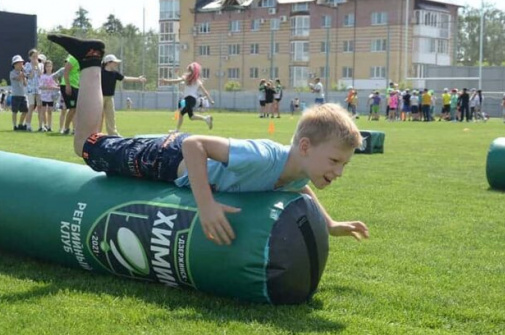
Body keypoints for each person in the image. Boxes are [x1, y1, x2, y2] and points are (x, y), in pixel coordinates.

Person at [47, 34, 369, 246]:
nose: (339, 171)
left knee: (93, 143)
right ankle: (91, 59)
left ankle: (90, 60)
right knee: (86, 145)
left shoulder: (296, 170)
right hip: (168, 157)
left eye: (344, 164)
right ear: (305, 147)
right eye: (335, 161)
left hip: (171, 157)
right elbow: (194, 145)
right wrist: (207, 206)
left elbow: (302, 187)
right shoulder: (264, 157)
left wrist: (329, 224)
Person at [160, 62, 214, 132]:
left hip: (189, 99)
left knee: (182, 113)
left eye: (188, 70)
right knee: (191, 117)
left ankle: (177, 130)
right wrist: (210, 100)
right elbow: (205, 92)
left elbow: (176, 81)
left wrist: (166, 81)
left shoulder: (187, 78)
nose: (187, 71)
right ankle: (206, 118)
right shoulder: (197, 81)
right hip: (192, 100)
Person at [100, 54, 145, 136]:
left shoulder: (115, 73)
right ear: (108, 63)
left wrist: (138, 79)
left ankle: (113, 134)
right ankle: (97, 134)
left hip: (110, 98)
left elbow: (125, 78)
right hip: (99, 97)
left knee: (111, 117)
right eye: (114, 62)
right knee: (98, 117)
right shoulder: (100, 72)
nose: (116, 64)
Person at [38, 60, 62, 132]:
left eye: (50, 66)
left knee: (50, 111)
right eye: (47, 66)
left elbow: (58, 86)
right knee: (43, 111)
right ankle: (42, 125)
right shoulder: (43, 76)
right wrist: (47, 87)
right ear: (45, 67)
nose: (49, 68)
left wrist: (54, 88)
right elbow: (40, 87)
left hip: (51, 97)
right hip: (44, 96)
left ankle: (49, 126)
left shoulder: (54, 76)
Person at [24, 50, 43, 132]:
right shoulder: (27, 65)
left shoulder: (41, 65)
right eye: (33, 56)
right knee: (31, 106)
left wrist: (37, 66)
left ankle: (41, 126)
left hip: (39, 89)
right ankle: (28, 125)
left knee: (40, 107)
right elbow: (30, 76)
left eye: (36, 56)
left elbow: (40, 75)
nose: (35, 58)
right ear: (30, 57)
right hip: (31, 88)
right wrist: (32, 67)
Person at [9, 55, 29, 130]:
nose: (21, 65)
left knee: (25, 110)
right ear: (14, 64)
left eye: (22, 63)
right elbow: (17, 78)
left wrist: (24, 77)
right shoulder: (12, 73)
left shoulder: (23, 73)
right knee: (15, 111)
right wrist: (23, 72)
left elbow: (25, 84)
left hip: (23, 94)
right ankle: (14, 125)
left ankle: (20, 124)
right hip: (15, 94)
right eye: (19, 63)